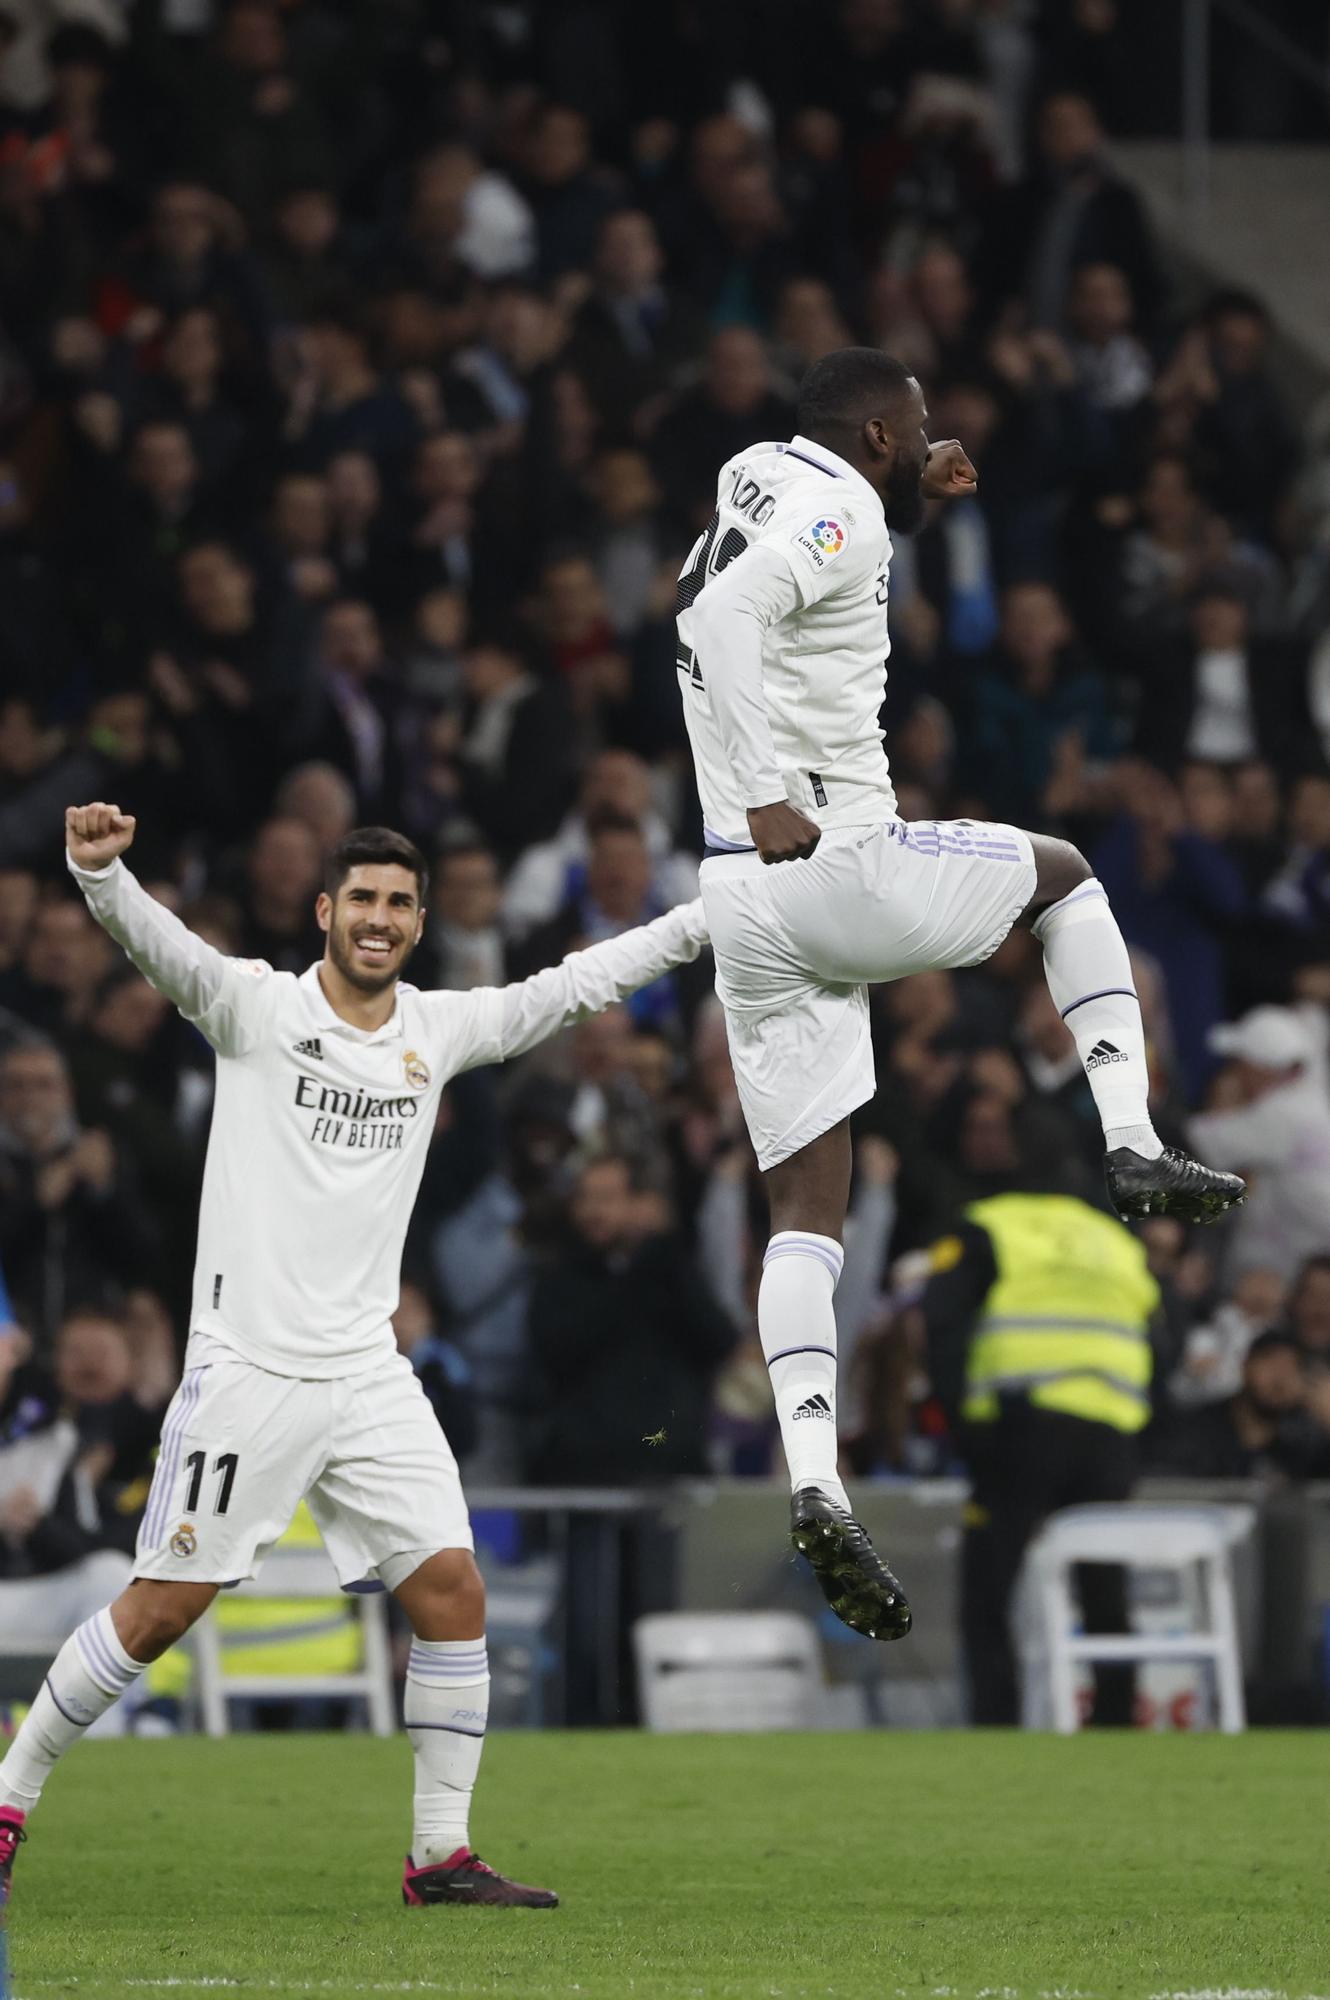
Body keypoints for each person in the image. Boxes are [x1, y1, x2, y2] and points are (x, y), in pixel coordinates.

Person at [0, 801, 708, 1909]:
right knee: (159, 1608)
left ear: (419, 924)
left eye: (399, 904)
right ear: (326, 911)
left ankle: (440, 1853)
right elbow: (161, 946)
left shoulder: (438, 1028)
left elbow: (571, 985)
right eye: (362, 900)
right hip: (251, 1369)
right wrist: (103, 877)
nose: (378, 920)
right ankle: (9, 1796)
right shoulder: (255, 1009)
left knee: (451, 1587)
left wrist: (692, 922)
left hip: (368, 1373)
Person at [676, 346, 1244, 1641]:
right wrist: (771, 788)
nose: (933, 441)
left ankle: (815, 1483)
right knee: (1067, 879)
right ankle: (1132, 1142)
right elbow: (724, 621)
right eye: (918, 427)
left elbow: (743, 572)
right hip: (824, 855)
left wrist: (909, 481)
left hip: (740, 902)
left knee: (804, 1214)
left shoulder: (754, 474)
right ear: (873, 432)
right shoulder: (830, 513)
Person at [919, 1185, 1161, 1725]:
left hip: (1021, 1429)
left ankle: (998, 1724)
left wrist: (963, 1429)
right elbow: (1162, 1343)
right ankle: (1116, 1721)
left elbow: (942, 1326)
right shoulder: (1114, 1240)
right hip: (1111, 1435)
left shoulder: (990, 1222)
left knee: (989, 1590)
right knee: (1103, 1587)